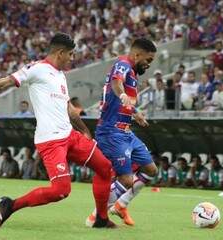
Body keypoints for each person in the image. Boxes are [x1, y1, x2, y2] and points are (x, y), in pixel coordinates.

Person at [0, 33, 115, 228]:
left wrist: (84, 131)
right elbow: (4, 82)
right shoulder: (36, 69)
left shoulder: (60, 75)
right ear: (60, 52)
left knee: (105, 168)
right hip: (51, 141)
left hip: (70, 136)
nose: (72, 58)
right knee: (61, 191)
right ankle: (10, 205)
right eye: (70, 54)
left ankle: (102, 220)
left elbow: (68, 107)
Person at [86, 38, 158, 227]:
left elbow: (124, 101)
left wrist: (135, 113)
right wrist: (123, 94)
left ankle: (120, 205)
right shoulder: (123, 64)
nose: (149, 65)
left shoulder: (132, 71)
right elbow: (117, 83)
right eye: (148, 60)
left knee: (150, 169)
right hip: (111, 132)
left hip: (125, 132)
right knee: (125, 180)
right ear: (137, 55)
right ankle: (96, 217)